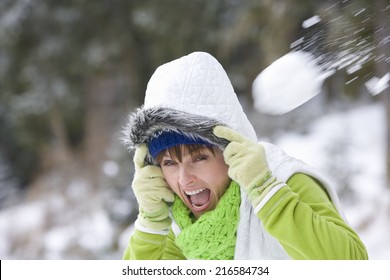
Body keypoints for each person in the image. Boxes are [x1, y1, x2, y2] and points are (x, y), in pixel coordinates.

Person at [121, 51, 368, 260]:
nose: (184, 179)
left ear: (230, 151)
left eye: (199, 158)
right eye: (169, 163)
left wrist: (266, 192)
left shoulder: (285, 181)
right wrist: (150, 222)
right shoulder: (179, 224)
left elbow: (352, 263)